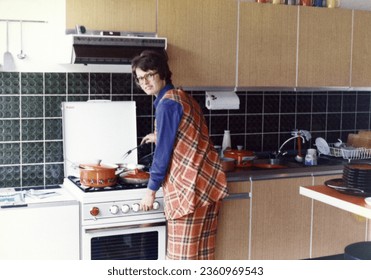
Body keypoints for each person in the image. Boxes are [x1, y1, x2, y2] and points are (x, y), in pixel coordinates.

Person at [131, 50, 228, 260]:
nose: (145, 82)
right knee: (203, 255)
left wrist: (151, 190)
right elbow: (188, 132)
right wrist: (160, 135)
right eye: (140, 78)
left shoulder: (167, 105)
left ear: (162, 73)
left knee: (181, 259)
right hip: (208, 185)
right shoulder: (183, 97)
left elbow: (163, 154)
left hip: (188, 189)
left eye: (149, 75)